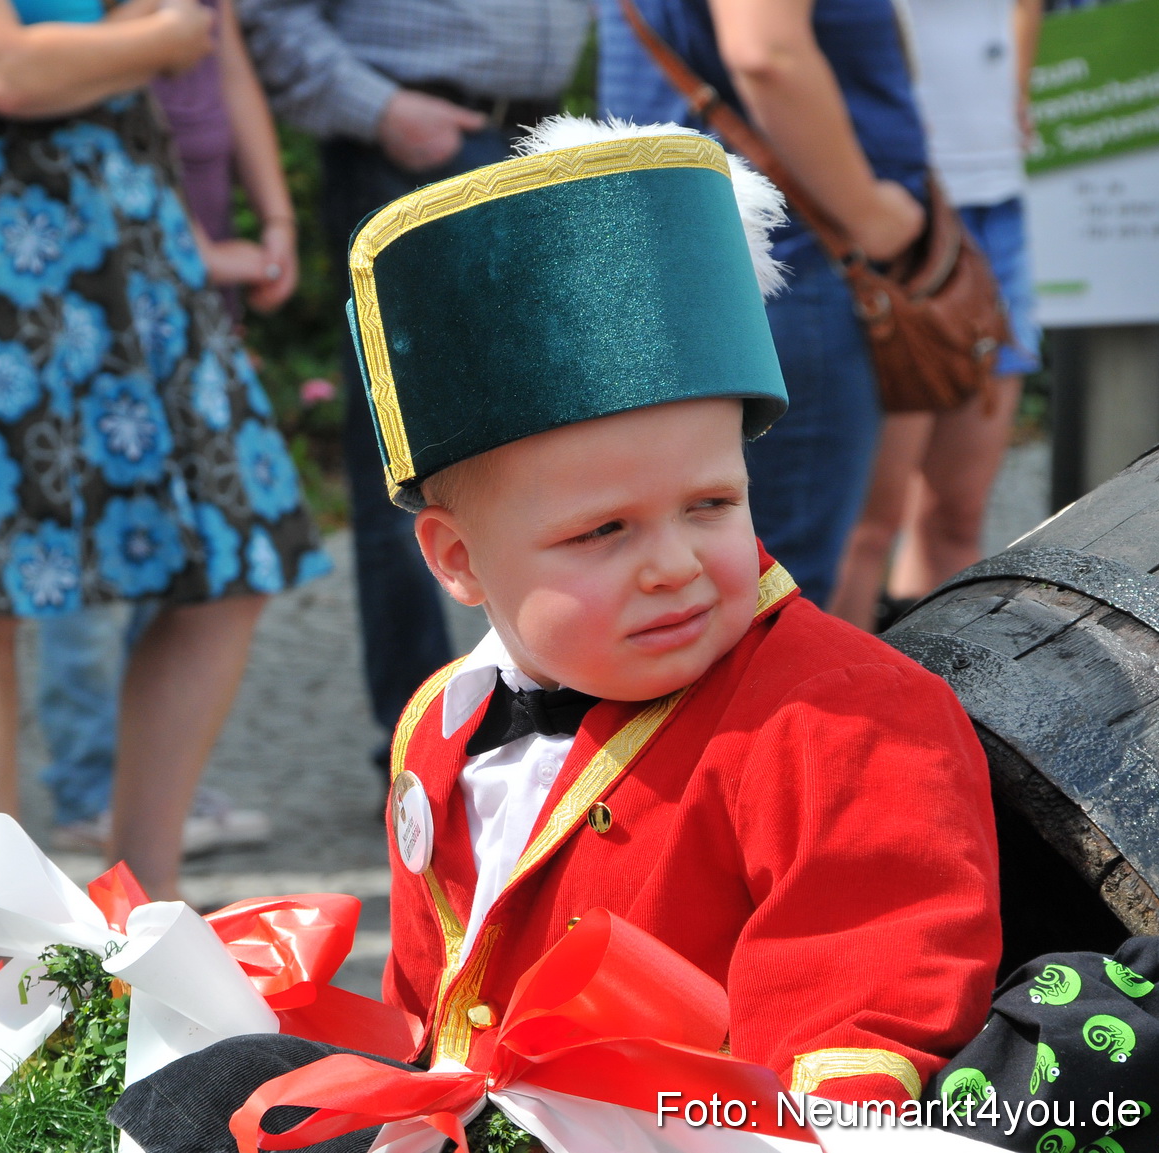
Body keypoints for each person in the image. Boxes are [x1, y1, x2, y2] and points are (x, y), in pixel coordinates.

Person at [111, 120, 1003, 1150]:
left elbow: (855, 1016)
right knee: (200, 1097)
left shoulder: (845, 718)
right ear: (455, 561)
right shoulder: (437, 729)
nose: (672, 560)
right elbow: (432, 1011)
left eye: (711, 504)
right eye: (603, 531)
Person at [0, 0, 331, 990]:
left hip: (117, 197)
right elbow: (4, 61)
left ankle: (142, 914)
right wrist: (141, 48)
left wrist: (76, 59)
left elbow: (86, 41)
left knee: (230, 547)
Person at [240, 0, 593, 780]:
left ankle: (551, 715)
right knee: (411, 467)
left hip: (534, 144)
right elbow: (263, 17)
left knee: (556, 444)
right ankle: (426, 754)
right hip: (412, 149)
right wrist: (382, 111)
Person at [40, 0, 294, 858]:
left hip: (167, 270)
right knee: (80, 563)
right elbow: (100, 66)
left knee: (218, 556)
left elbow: (216, 51)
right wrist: (190, 247)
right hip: (106, 260)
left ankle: (145, 868)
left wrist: (274, 218)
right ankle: (89, 793)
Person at [597, 0, 931, 607]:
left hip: (687, 260)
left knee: (705, 583)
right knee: (773, 595)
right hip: (783, 271)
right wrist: (869, 215)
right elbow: (767, 53)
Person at [826, 0, 1043, 632]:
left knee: (957, 512)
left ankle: (938, 703)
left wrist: (1017, 92)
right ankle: (830, 718)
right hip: (901, 215)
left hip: (997, 206)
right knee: (867, 526)